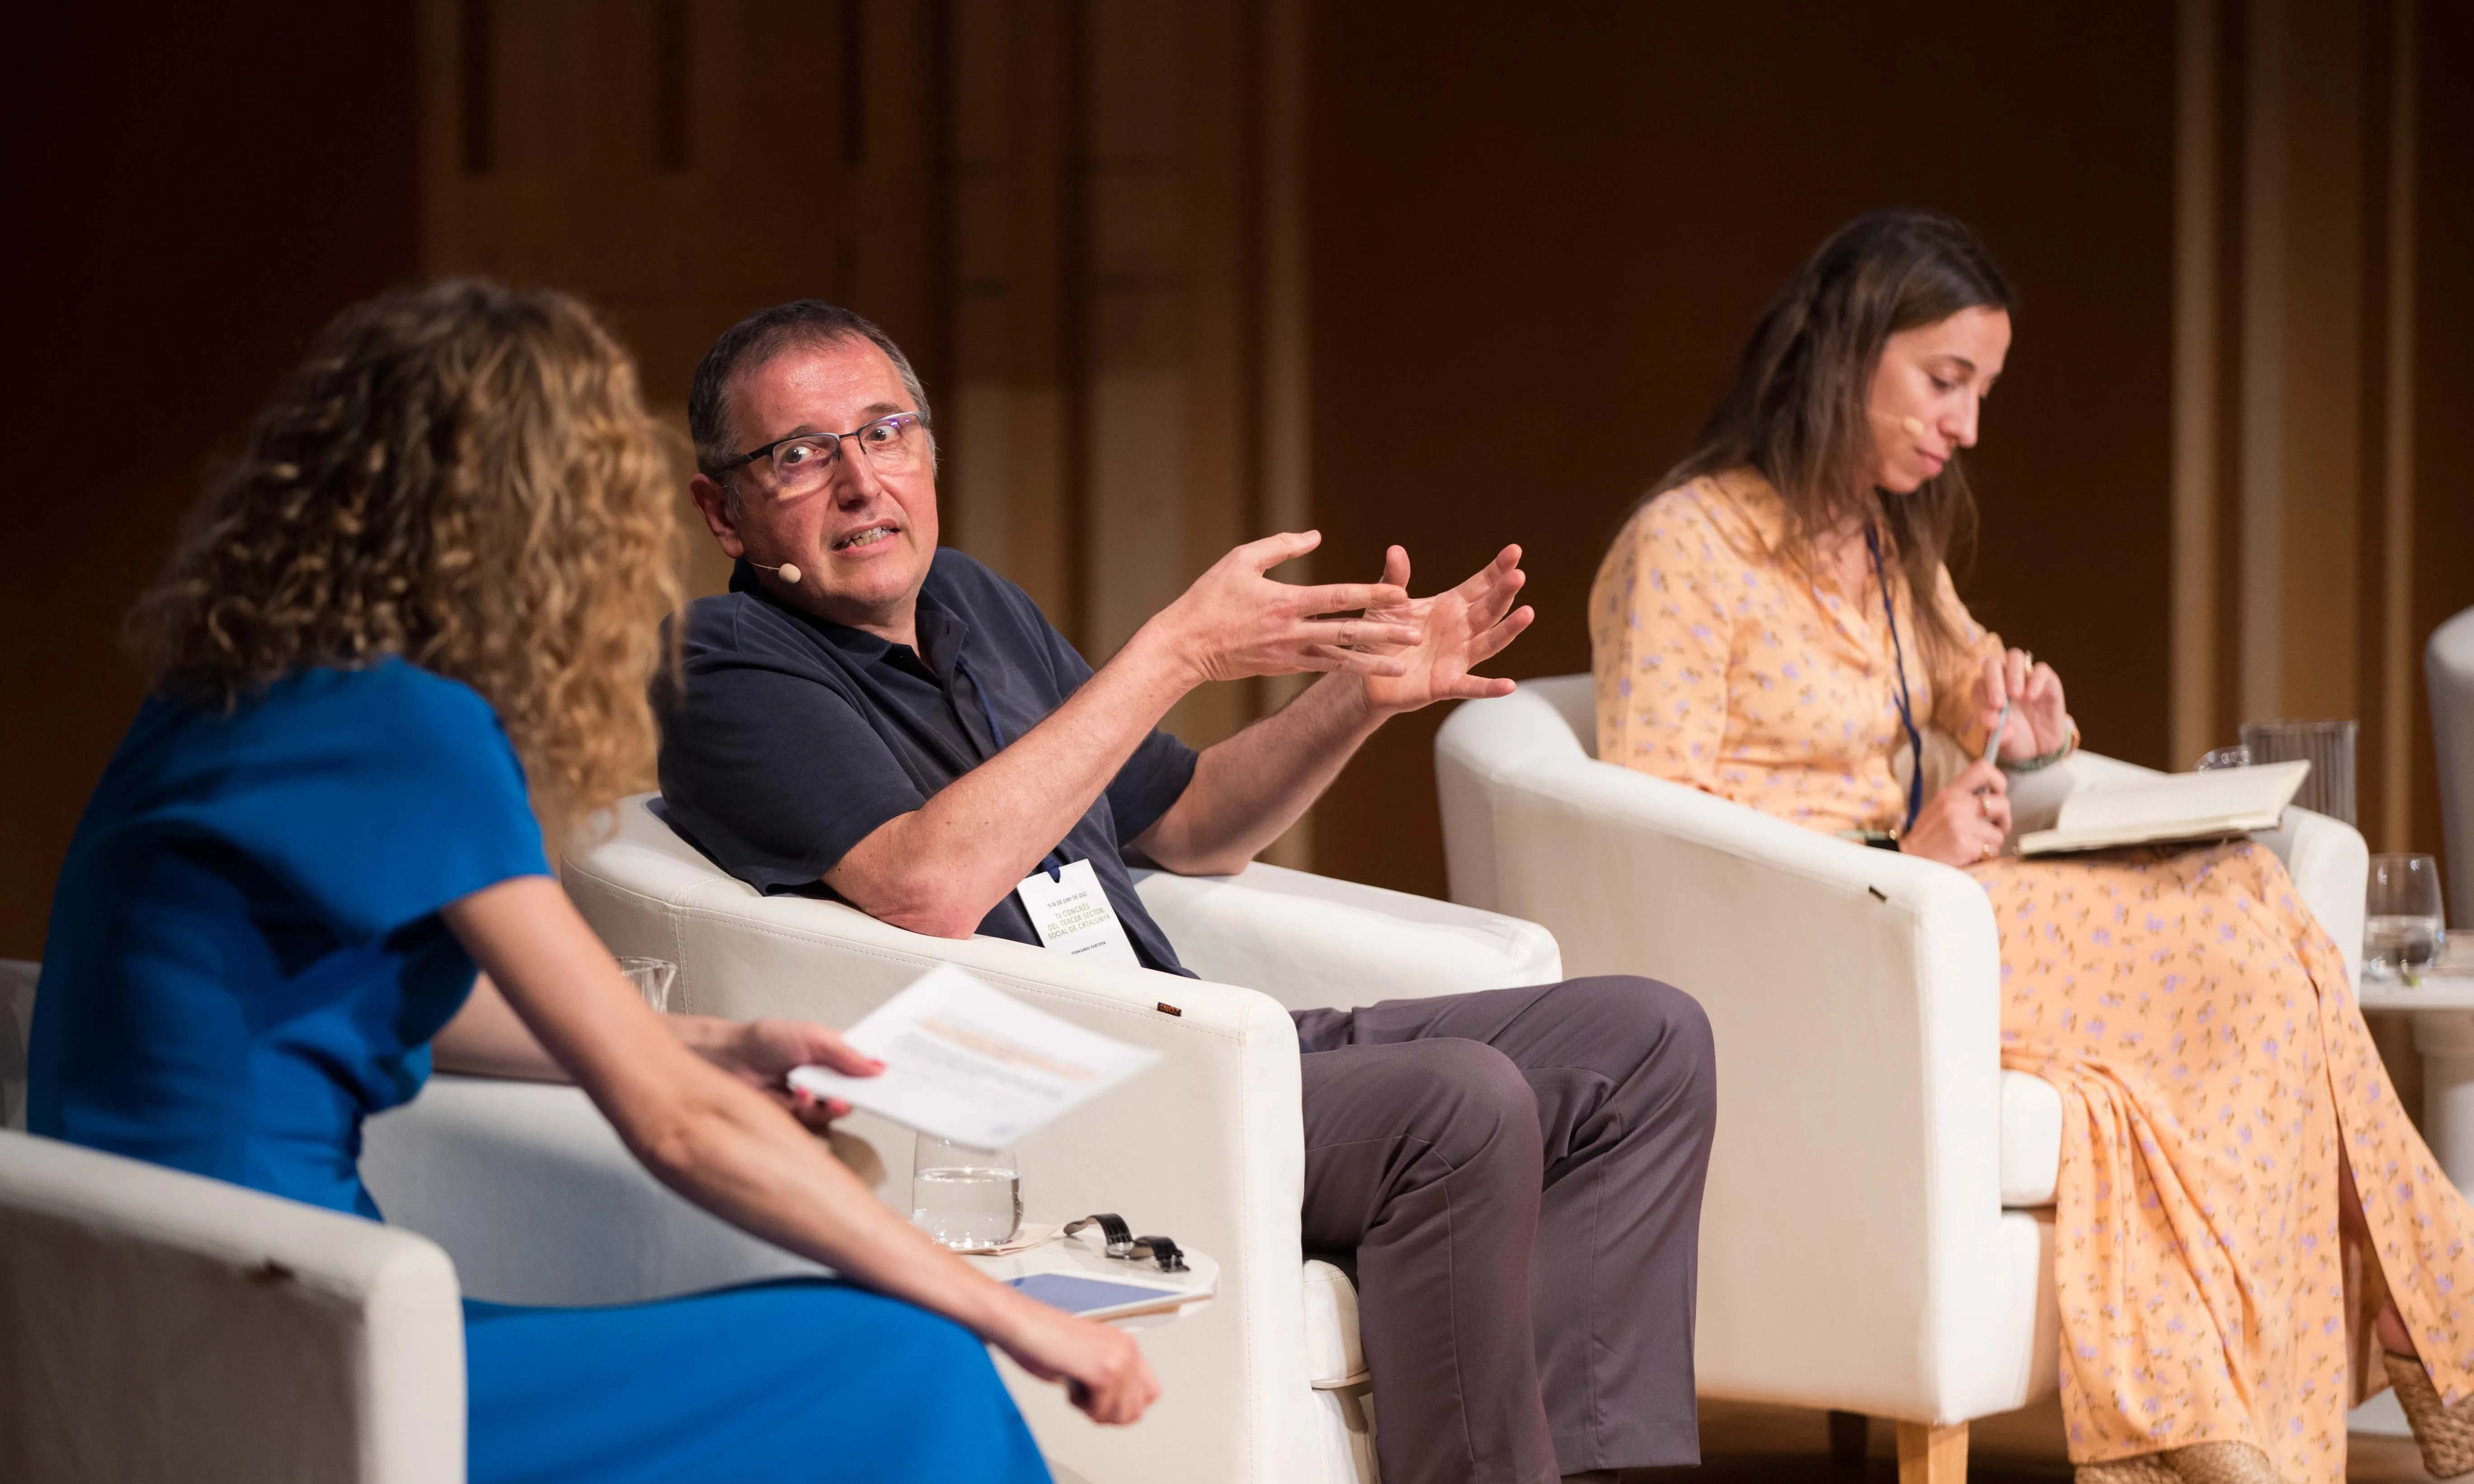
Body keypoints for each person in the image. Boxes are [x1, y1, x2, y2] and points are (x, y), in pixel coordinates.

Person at [28, 281, 1159, 1484]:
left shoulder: (228, 692)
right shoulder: (409, 728)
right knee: (909, 1358)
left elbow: (315, 995)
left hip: (138, 1319)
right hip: (299, 1349)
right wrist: (1013, 1316)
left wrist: (712, 1041)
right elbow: (673, 1131)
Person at [654, 298, 1718, 1484]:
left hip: (1198, 1038)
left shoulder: (975, 604)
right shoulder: (722, 664)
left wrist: (1357, 699)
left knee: (1647, 1039)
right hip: (1051, 1103)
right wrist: (1173, 653)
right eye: (801, 455)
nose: (861, 481)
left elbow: (1194, 823)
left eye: (886, 431)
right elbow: (923, 887)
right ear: (725, 511)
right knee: (1455, 1103)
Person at [1590, 207, 2474, 1484]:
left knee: (2249, 900)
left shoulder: (1883, 543)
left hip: (1948, 911)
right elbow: (1657, 838)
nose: (1968, 427)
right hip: (1846, 943)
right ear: (1850, 349)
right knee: (2245, 927)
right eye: (1947, 382)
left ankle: (2252, 1406)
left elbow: (1965, 694)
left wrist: (2028, 727)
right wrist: (1900, 851)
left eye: (1981, 391)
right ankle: (2430, 1308)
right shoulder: (1685, 547)